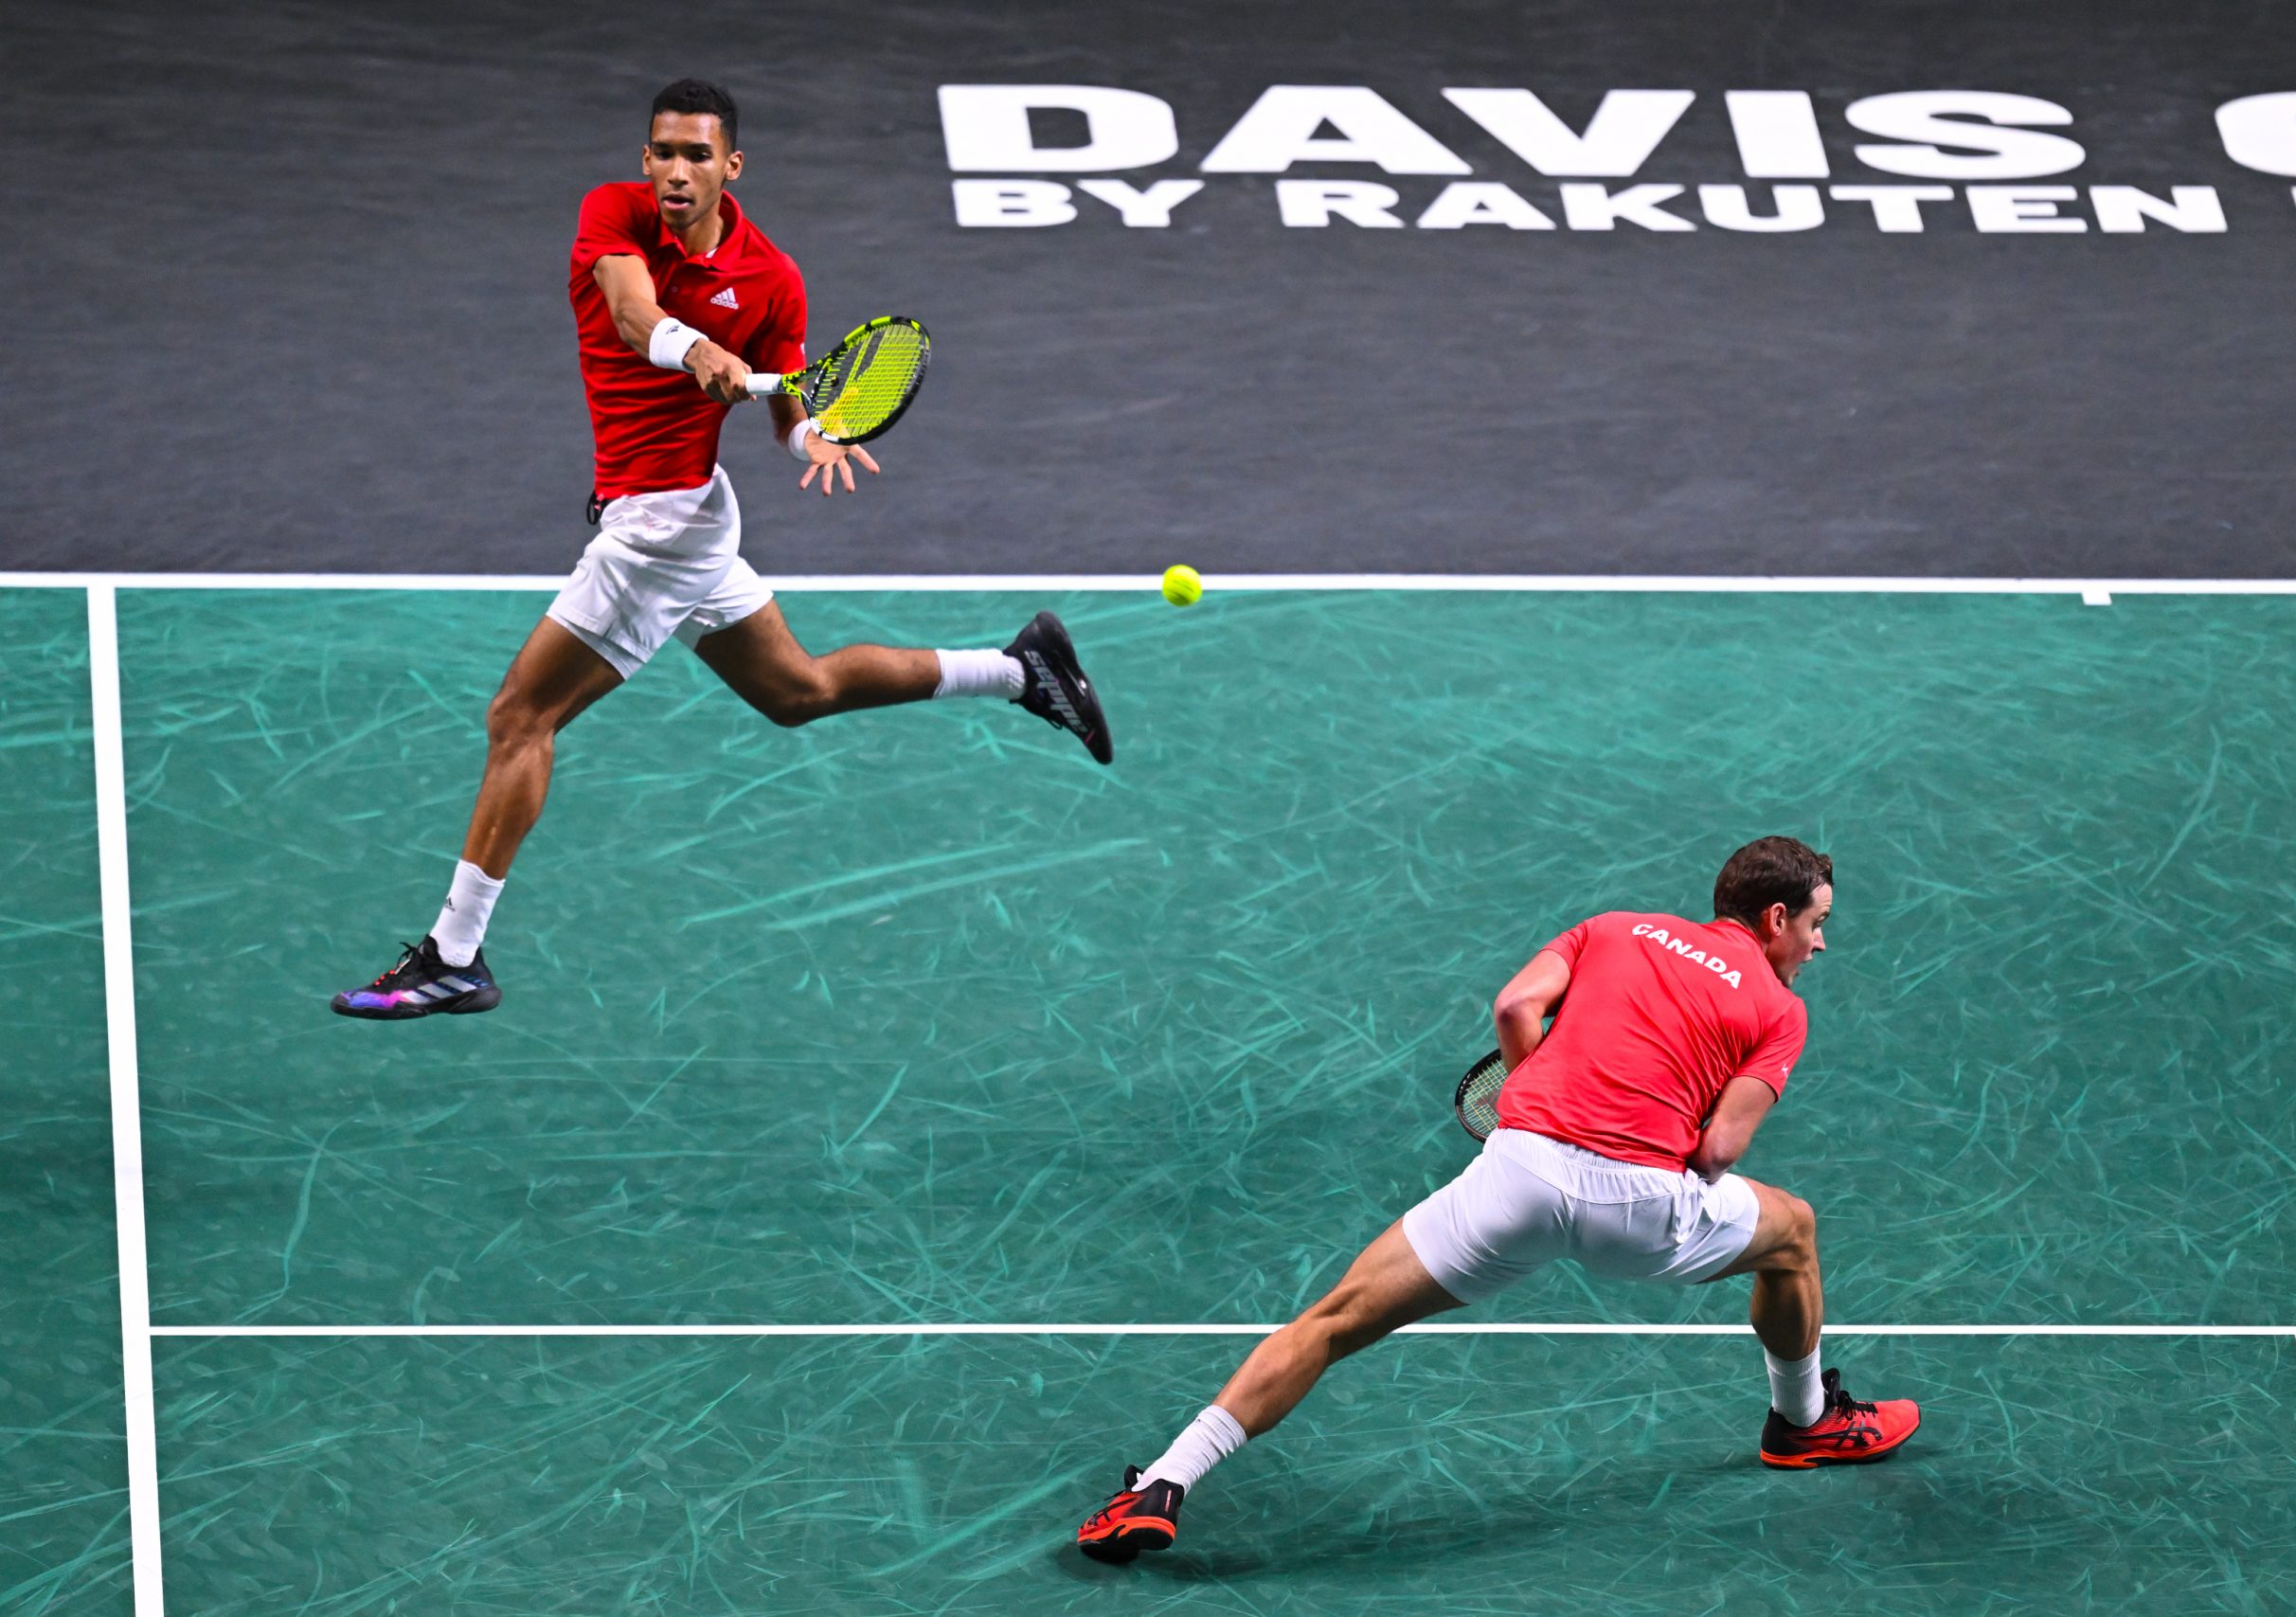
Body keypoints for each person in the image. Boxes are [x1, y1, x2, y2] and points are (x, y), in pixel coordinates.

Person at [332, 79, 1110, 1019]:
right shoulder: (611, 215)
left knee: (519, 720)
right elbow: (628, 313)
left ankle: (456, 955)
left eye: (696, 155)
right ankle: (1021, 671)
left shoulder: (774, 279)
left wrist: (807, 439)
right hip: (678, 513)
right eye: (661, 151)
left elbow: (787, 411)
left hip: (665, 529)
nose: (673, 170)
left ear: (730, 167)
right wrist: (692, 348)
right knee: (798, 692)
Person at [1076, 835, 1918, 1563]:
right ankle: (1801, 1422)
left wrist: (1544, 1095)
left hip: (1517, 1177)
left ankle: (1161, 1484)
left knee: (1330, 1323)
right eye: (1816, 924)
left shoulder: (1612, 927)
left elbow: (1516, 1004)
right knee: (1793, 1231)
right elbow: (1719, 1149)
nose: (1818, 944)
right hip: (1640, 1206)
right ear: (1775, 918)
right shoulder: (1779, 1007)